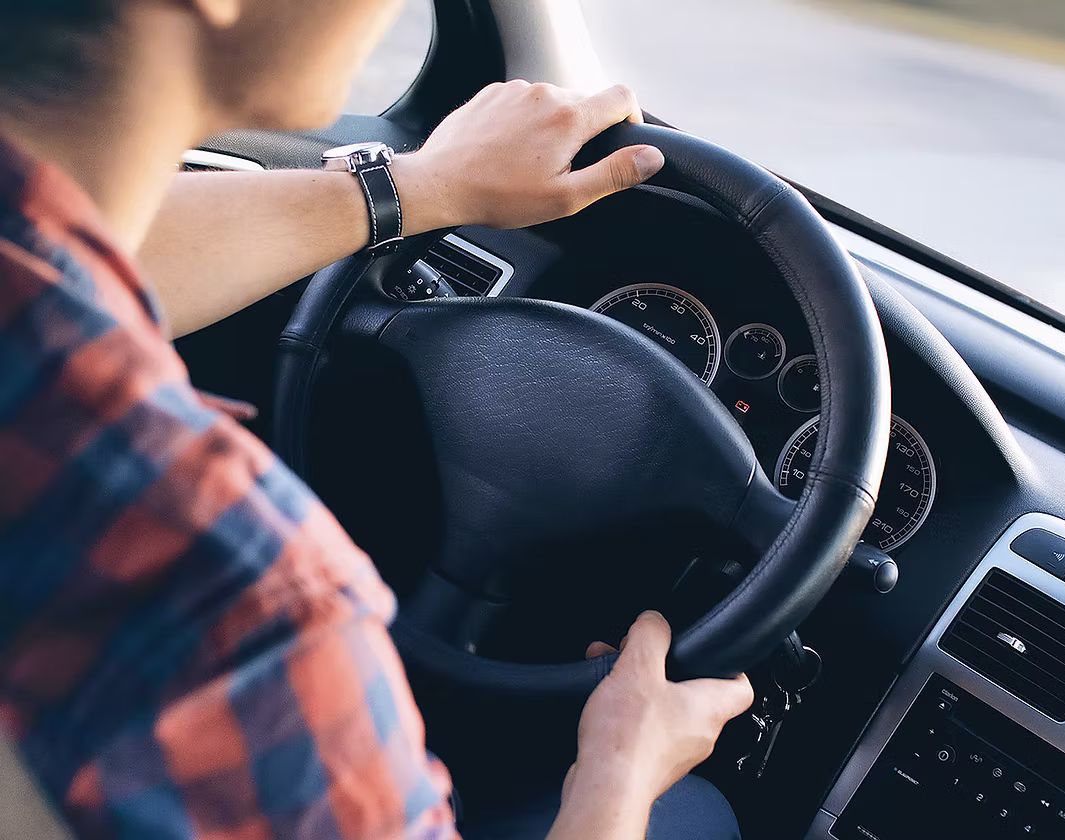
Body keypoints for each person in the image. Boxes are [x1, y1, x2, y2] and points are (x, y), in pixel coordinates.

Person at [0, 1, 755, 838]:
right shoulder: (249, 611)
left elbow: (78, 257)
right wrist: (620, 769)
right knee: (695, 813)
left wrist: (426, 185)